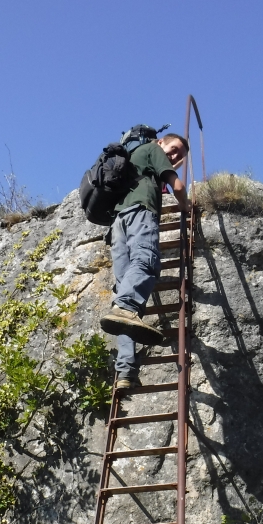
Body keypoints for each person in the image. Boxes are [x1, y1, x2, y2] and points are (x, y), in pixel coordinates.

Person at [99, 134, 190, 389]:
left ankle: (126, 371)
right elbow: (179, 187)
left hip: (118, 224)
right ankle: (126, 306)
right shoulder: (152, 148)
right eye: (173, 150)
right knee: (147, 263)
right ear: (161, 142)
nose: (174, 157)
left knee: (124, 293)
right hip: (141, 212)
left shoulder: (132, 157)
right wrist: (186, 206)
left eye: (179, 156)